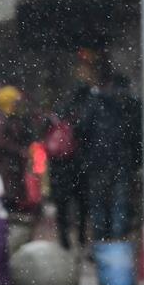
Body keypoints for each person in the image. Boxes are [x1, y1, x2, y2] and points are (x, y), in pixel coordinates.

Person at [76, 72, 143, 241]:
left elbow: (81, 130)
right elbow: (137, 136)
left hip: (98, 162)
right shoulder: (132, 105)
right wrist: (137, 161)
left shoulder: (96, 103)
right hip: (122, 161)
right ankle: (117, 247)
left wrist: (87, 155)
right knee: (119, 206)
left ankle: (101, 247)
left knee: (99, 206)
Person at [47, 85, 89, 250]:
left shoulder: (57, 112)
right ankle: (81, 239)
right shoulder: (84, 111)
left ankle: (64, 240)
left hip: (58, 166)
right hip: (77, 164)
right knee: (82, 204)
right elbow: (85, 135)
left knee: (62, 205)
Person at [0, 86, 34, 213]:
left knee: (11, 195)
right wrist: (19, 150)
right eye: (15, 102)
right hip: (3, 164)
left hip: (9, 165)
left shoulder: (9, 117)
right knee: (6, 196)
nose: (17, 105)